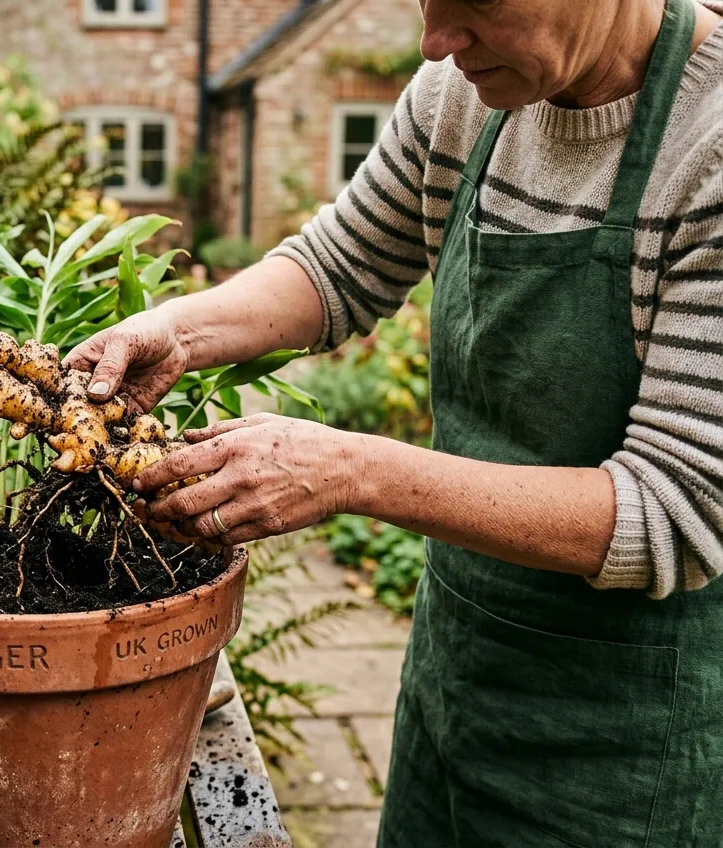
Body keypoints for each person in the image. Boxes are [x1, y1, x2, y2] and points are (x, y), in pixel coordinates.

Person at [66, 0, 723, 844]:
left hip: (630, 748)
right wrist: (176, 331)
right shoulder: (462, 94)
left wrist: (350, 471)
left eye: (474, 5)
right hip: (457, 680)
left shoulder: (705, 145)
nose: (436, 43)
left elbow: (678, 511)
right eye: (425, 1)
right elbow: (341, 266)